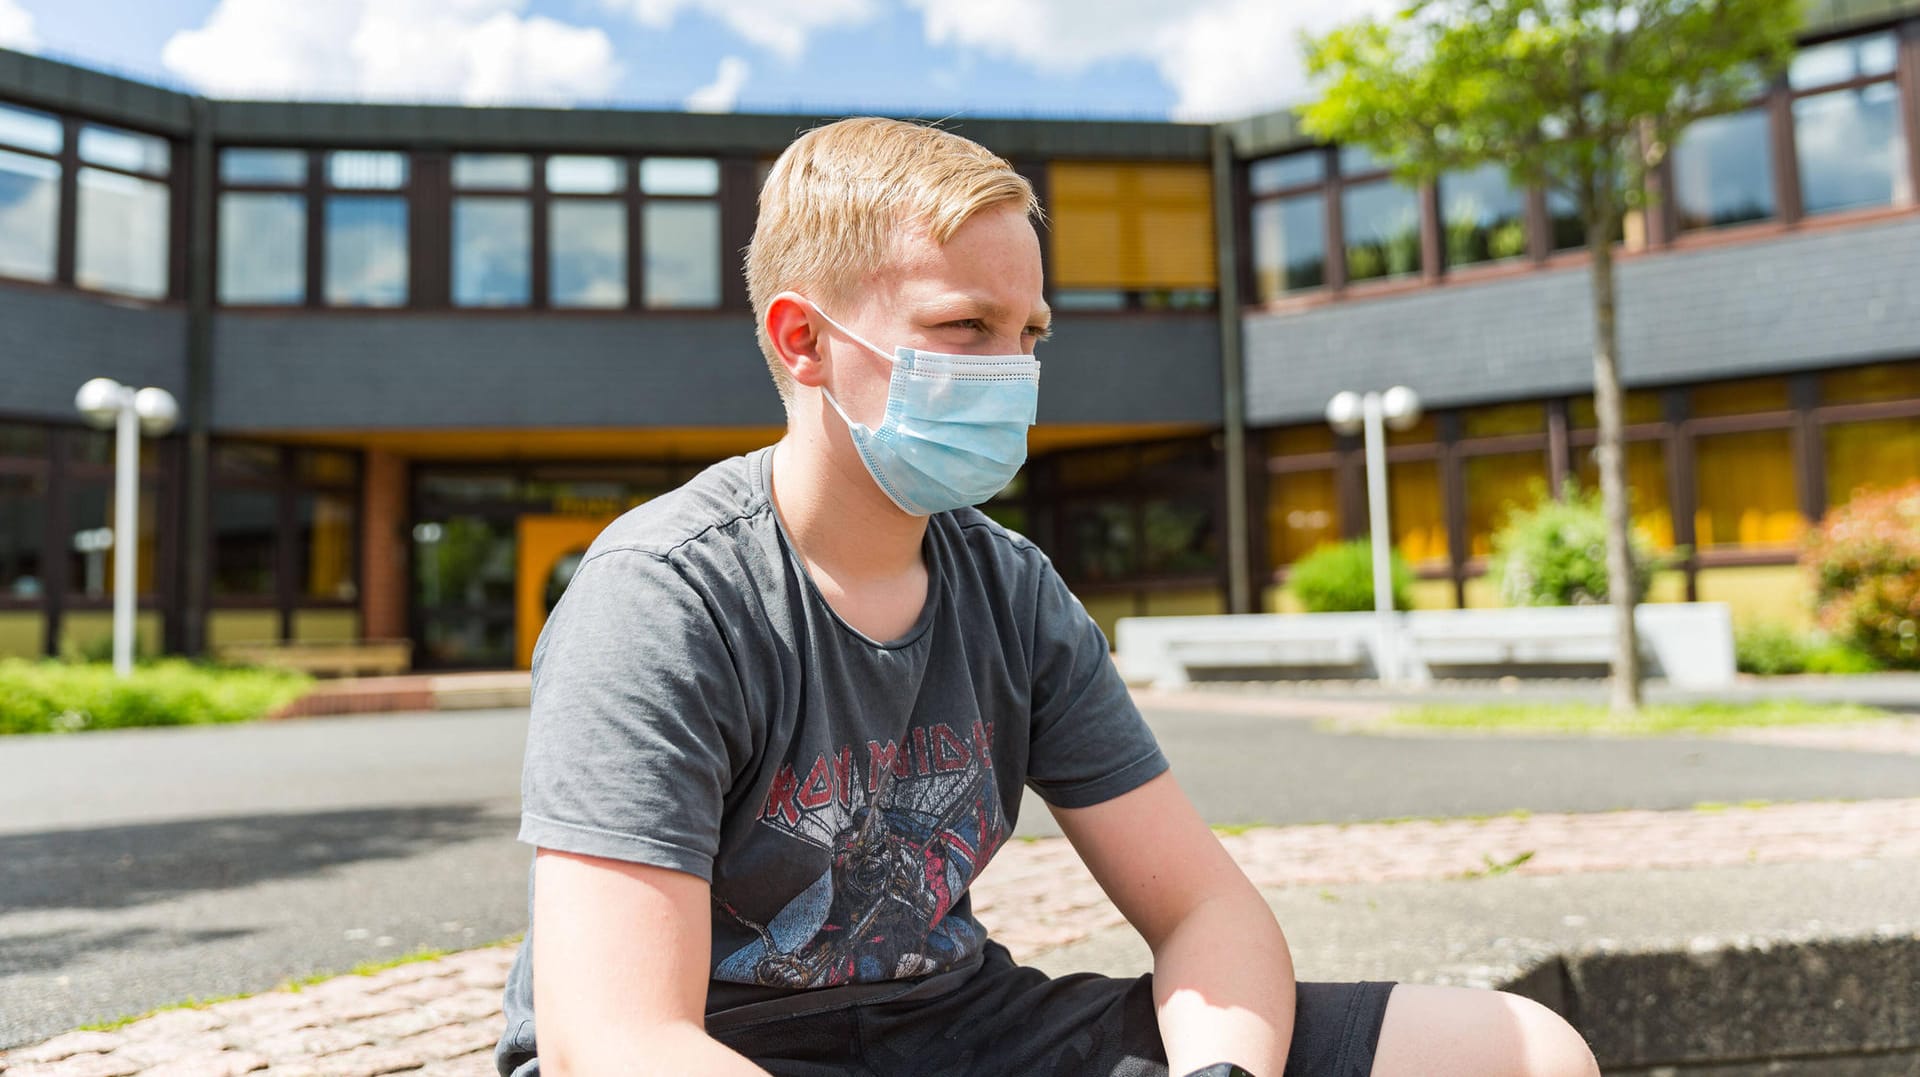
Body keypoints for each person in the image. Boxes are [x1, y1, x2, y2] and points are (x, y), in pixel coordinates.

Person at [494, 116, 1600, 1077]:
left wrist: (1221, 1072)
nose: (1011, 370)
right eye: (965, 328)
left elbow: (1204, 909)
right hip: (715, 1050)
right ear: (805, 341)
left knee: (1525, 1053)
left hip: (958, 1031)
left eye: (1029, 335)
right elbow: (618, 1042)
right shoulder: (663, 597)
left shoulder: (1011, 591)